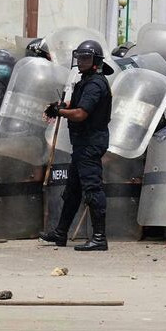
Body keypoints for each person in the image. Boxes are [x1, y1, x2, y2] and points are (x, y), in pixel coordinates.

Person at [42, 39, 114, 252]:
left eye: (86, 58)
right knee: (73, 190)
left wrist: (60, 113)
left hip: (90, 143)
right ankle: (61, 233)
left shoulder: (95, 84)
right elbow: (76, 105)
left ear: (96, 61)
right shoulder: (86, 81)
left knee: (92, 189)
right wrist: (61, 106)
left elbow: (81, 114)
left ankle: (99, 237)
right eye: (80, 57)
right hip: (82, 144)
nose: (81, 61)